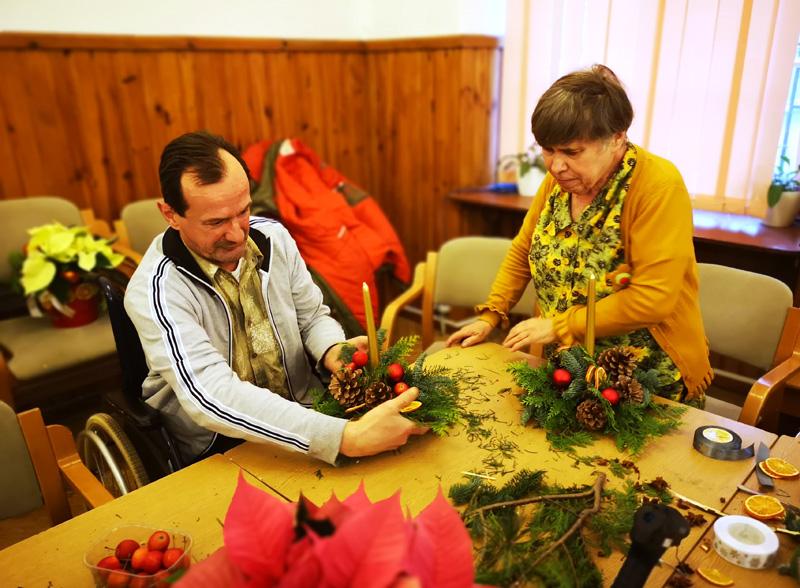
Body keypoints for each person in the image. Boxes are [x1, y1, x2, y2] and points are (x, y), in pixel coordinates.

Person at [125, 131, 427, 465]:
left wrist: (331, 349)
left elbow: (312, 317)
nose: (239, 234)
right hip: (220, 443)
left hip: (306, 413)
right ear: (170, 214)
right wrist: (343, 438)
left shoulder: (274, 237)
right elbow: (210, 395)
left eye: (243, 210)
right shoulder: (157, 290)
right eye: (216, 222)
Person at [447, 65, 712, 406]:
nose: (556, 166)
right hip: (570, 367)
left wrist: (559, 325)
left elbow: (653, 297)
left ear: (617, 137)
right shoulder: (559, 182)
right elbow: (523, 251)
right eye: (547, 150)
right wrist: (491, 314)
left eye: (572, 152)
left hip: (645, 378)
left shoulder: (657, 186)